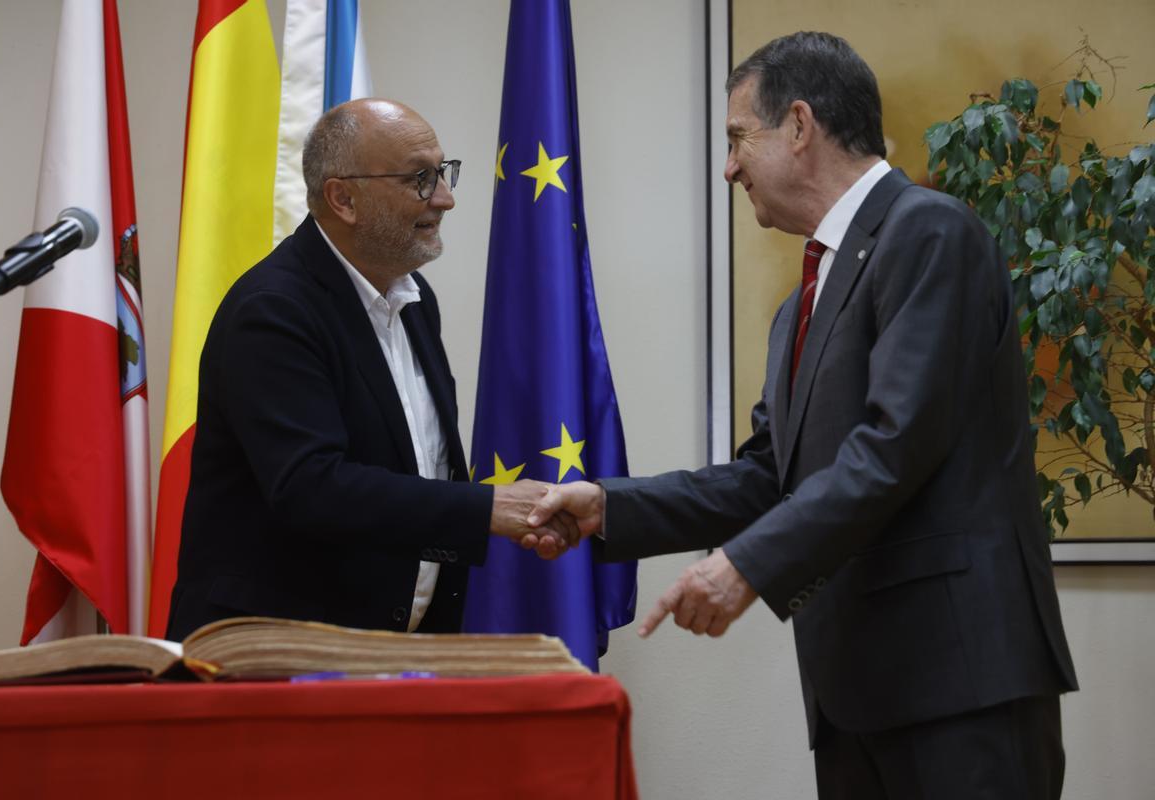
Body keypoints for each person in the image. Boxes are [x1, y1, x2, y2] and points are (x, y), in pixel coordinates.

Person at [529, 32, 1078, 799]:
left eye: (735, 139)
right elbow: (768, 476)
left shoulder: (929, 231)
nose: (728, 168)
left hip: (959, 683)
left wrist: (746, 566)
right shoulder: (798, 308)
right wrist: (609, 507)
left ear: (797, 124)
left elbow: (894, 444)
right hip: (857, 692)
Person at [166, 99, 571, 642]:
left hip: (391, 655)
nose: (446, 199)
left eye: (443, 173)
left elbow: (425, 468)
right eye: (420, 180)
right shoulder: (272, 310)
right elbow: (312, 486)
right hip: (273, 659)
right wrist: (487, 508)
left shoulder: (414, 298)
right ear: (344, 198)